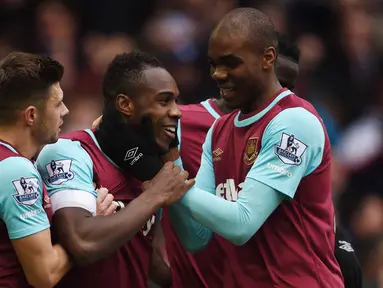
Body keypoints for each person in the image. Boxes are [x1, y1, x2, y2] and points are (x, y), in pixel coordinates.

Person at [163, 8, 344, 287]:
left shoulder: (293, 122)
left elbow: (241, 223)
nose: (218, 74)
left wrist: (166, 186)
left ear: (267, 58)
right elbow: (196, 237)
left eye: (230, 63)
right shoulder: (219, 131)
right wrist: (168, 160)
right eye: (213, 64)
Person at [35, 51, 194, 288]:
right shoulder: (70, 152)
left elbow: (142, 256)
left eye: (175, 101)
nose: (176, 111)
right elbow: (81, 242)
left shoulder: (148, 170)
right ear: (125, 104)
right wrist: (154, 196)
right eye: (164, 100)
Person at [0, 51, 71, 288]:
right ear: (31, 115)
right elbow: (44, 275)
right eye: (58, 103)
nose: (65, 111)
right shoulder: (15, 170)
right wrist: (90, 225)